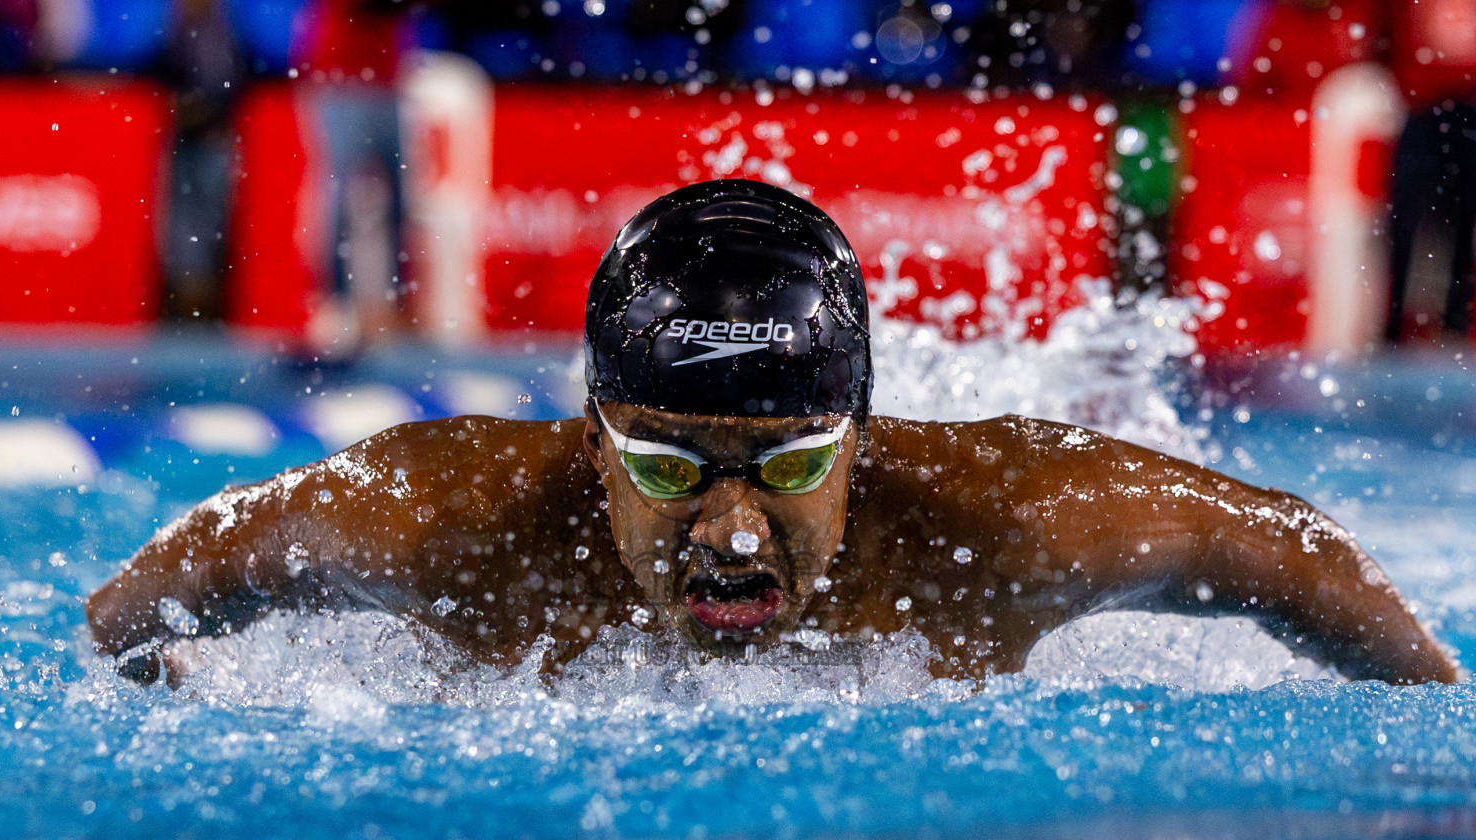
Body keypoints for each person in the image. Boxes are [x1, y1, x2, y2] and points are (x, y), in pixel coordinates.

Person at [87, 179, 1459, 686]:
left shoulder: (1007, 528)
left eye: (794, 466)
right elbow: (150, 591)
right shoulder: (435, 520)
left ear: (862, 437)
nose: (732, 531)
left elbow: (1300, 551)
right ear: (592, 436)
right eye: (672, 469)